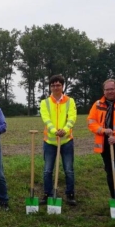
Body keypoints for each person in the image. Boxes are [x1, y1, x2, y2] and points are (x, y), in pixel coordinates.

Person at [39, 74, 77, 206]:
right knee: (47, 170)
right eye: (53, 85)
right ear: (50, 87)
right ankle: (47, 194)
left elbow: (72, 118)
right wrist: (55, 131)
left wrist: (64, 130)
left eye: (58, 85)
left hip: (66, 141)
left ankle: (70, 194)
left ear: (62, 86)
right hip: (49, 142)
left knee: (69, 169)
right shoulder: (45, 102)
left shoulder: (70, 101)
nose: (55, 87)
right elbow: (46, 119)